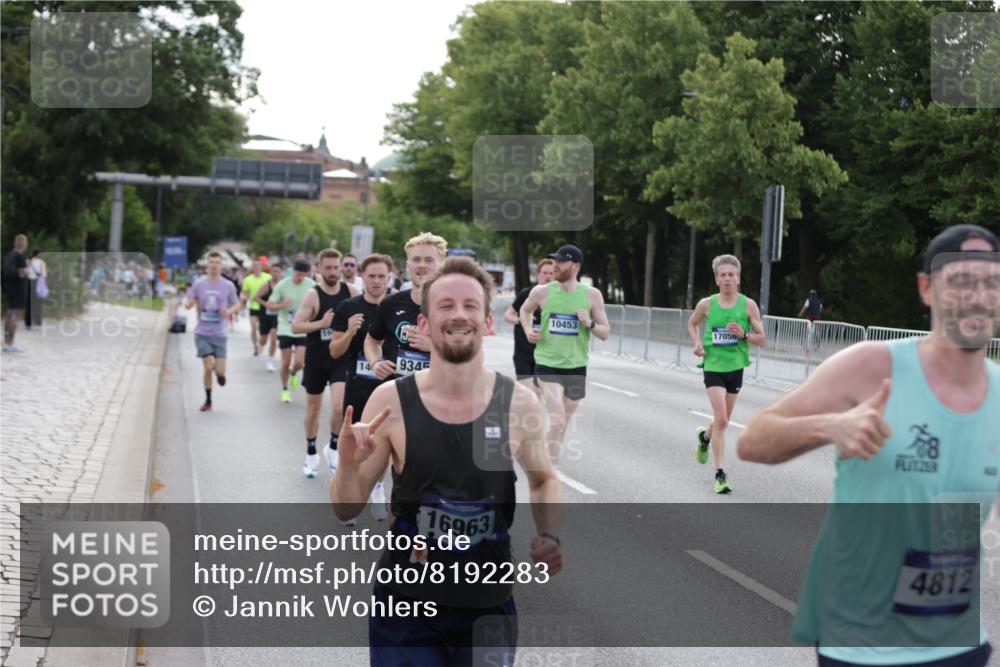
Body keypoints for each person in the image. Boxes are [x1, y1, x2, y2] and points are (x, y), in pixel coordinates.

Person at [739, 224, 1000, 667]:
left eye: (991, 282)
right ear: (927, 289)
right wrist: (830, 426)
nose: (977, 295)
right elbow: (753, 439)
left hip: (956, 641)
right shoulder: (873, 365)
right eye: (960, 281)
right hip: (862, 645)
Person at [331, 256, 563, 666]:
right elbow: (346, 507)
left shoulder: (516, 403)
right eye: (446, 306)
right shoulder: (390, 401)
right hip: (405, 606)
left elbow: (543, 478)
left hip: (487, 603)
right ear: (423, 325)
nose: (459, 315)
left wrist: (550, 534)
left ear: (487, 323)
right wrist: (348, 466)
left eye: (471, 306)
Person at [519, 244, 611, 463]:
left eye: (561, 262)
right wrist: (527, 329)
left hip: (577, 365)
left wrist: (588, 323)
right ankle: (543, 469)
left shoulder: (591, 295)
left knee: (562, 425)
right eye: (554, 261)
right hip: (547, 363)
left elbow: (605, 332)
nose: (555, 266)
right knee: (558, 420)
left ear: (576, 266)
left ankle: (549, 463)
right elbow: (525, 310)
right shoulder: (541, 292)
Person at [686, 254, 765, 494]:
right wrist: (697, 342)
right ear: (717, 279)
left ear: (738, 279)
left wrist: (743, 334)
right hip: (713, 367)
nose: (728, 279)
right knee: (721, 419)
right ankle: (720, 475)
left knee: (723, 421)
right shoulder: (706, 304)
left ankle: (705, 439)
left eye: (732, 275)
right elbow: (692, 324)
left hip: (736, 368)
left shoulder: (748, 305)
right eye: (723, 275)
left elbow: (762, 340)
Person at [329, 253, 394, 520]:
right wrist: (349, 333)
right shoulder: (348, 307)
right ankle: (352, 498)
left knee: (385, 442)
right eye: (372, 276)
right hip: (357, 385)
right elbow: (334, 351)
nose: (376, 281)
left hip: (389, 387)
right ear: (362, 277)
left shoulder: (397, 306)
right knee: (358, 444)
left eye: (381, 276)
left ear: (389, 277)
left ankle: (378, 488)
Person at [293, 248, 360, 478]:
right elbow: (296, 325)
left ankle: (332, 447)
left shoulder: (350, 292)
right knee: (314, 410)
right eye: (328, 268)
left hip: (341, 358)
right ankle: (311, 453)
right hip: (316, 360)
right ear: (319, 269)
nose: (333, 272)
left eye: (336, 267)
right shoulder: (313, 295)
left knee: (340, 406)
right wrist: (321, 323)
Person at [363, 232, 447, 384]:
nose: (422, 265)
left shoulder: (453, 307)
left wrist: (434, 348)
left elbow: (472, 356)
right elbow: (371, 340)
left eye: (429, 260)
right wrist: (375, 363)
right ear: (408, 265)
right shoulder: (390, 304)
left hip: (438, 391)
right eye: (416, 259)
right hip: (395, 390)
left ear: (441, 265)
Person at [184, 252, 240, 412]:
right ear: (207, 265)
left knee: (220, 371)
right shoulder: (199, 283)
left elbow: (237, 305)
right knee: (208, 367)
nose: (214, 265)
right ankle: (208, 400)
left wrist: (228, 311)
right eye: (211, 262)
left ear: (221, 266)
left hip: (220, 333)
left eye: (217, 262)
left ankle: (220, 374)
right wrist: (189, 304)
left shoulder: (228, 285)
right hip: (202, 332)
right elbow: (190, 299)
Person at [265, 256, 315, 403]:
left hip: (302, 327)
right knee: (285, 361)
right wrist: (282, 305)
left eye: (303, 275)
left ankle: (294, 372)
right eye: (298, 274)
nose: (300, 277)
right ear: (293, 271)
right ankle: (285, 389)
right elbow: (269, 305)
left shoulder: (312, 285)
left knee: (300, 362)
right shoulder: (283, 285)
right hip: (285, 327)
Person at [504, 258, 555, 392]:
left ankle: (532, 413)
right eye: (544, 273)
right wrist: (522, 320)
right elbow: (508, 315)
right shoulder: (526, 294)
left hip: (544, 353)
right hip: (523, 353)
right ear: (538, 274)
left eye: (551, 273)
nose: (548, 276)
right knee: (525, 391)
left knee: (538, 392)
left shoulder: (558, 297)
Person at [254, 263, 283, 373]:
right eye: (273, 271)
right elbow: (255, 297)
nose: (275, 274)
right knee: (263, 340)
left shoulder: (283, 285)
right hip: (265, 315)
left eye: (277, 271)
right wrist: (266, 304)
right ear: (270, 273)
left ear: (281, 272)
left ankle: (270, 361)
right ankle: (259, 344)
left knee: (274, 337)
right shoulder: (267, 285)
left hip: (278, 316)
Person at [2, 234, 29, 352]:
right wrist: (28, 267)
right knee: (16, 315)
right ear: (24, 244)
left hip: (9, 288)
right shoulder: (21, 257)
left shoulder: (9, 255)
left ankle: (6, 341)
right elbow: (23, 274)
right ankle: (10, 342)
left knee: (9, 314)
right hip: (19, 289)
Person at [241, 259, 270, 356]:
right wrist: (243, 299)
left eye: (258, 266)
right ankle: (255, 346)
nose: (256, 268)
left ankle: (260, 343)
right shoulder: (248, 279)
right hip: (253, 306)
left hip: (265, 306)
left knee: (262, 329)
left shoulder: (268, 277)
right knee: (253, 327)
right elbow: (244, 293)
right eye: (255, 266)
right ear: (252, 268)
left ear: (261, 267)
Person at [25, 248, 47, 329]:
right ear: (38, 254)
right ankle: (38, 321)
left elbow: (26, 273)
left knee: (28, 303)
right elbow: (44, 275)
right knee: (38, 303)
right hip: (38, 283)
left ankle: (28, 322)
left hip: (29, 282)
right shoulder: (42, 263)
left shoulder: (28, 261)